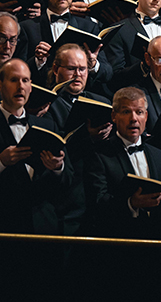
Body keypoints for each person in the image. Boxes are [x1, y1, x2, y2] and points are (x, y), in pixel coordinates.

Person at [0, 58, 72, 234]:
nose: (20, 86)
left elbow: (69, 180)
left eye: (25, 80)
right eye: (13, 80)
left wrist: (58, 168)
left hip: (45, 226)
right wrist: (0, 162)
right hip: (1, 227)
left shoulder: (48, 126)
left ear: (31, 86)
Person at [84, 87, 161, 239]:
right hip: (119, 244)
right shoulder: (99, 154)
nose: (133, 119)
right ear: (114, 116)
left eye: (139, 112)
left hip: (157, 244)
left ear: (146, 116)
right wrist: (131, 203)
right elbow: (97, 203)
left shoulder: (160, 156)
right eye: (126, 112)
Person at [45, 44, 112, 235]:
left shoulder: (101, 101)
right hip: (68, 195)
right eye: (71, 68)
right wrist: (87, 137)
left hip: (99, 192)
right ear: (56, 69)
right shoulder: (47, 105)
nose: (78, 74)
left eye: (82, 69)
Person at [16, 0, 110, 86]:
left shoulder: (89, 27)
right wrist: (38, 61)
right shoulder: (27, 27)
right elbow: (16, 70)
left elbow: (108, 73)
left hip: (78, 95)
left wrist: (93, 64)